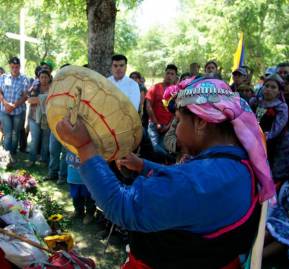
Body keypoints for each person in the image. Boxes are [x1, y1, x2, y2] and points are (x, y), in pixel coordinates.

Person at [56, 77, 275, 269]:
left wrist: (84, 146)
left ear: (200, 122)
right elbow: (183, 183)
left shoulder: (199, 181)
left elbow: (120, 205)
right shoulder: (240, 164)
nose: (176, 131)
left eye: (178, 121)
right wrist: (146, 167)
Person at [251, 74, 289, 182]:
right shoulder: (255, 102)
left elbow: (277, 129)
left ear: (278, 91)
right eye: (266, 86)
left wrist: (262, 138)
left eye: (273, 87)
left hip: (274, 144)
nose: (268, 89)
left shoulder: (281, 107)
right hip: (254, 141)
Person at [145, 64, 177, 163]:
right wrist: (156, 123)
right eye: (168, 73)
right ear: (164, 74)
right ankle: (171, 160)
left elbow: (176, 111)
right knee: (154, 148)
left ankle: (160, 168)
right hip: (154, 125)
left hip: (168, 126)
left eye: (172, 74)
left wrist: (169, 125)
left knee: (161, 150)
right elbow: (148, 106)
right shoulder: (155, 88)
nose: (169, 76)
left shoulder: (176, 91)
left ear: (175, 76)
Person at [0, 57, 29, 162]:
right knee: (7, 134)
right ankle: (6, 157)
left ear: (19, 67)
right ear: (9, 66)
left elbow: (25, 96)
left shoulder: (24, 79)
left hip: (17, 111)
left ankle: (13, 153)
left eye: (16, 67)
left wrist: (14, 106)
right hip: (5, 111)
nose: (14, 69)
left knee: (15, 133)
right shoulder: (3, 77)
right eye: (12, 67)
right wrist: (5, 103)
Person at [26, 68, 51, 167]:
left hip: (47, 118)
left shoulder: (52, 88)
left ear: (49, 78)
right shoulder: (35, 87)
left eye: (46, 77)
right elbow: (29, 100)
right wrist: (45, 98)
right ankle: (32, 159)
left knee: (46, 139)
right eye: (42, 77)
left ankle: (44, 160)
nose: (44, 79)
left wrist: (39, 99)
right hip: (34, 117)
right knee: (35, 139)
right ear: (39, 78)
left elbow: (53, 101)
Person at [66, 151, 96, 224]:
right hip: (73, 175)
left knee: (89, 196)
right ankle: (78, 211)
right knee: (76, 195)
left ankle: (89, 214)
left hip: (87, 176)